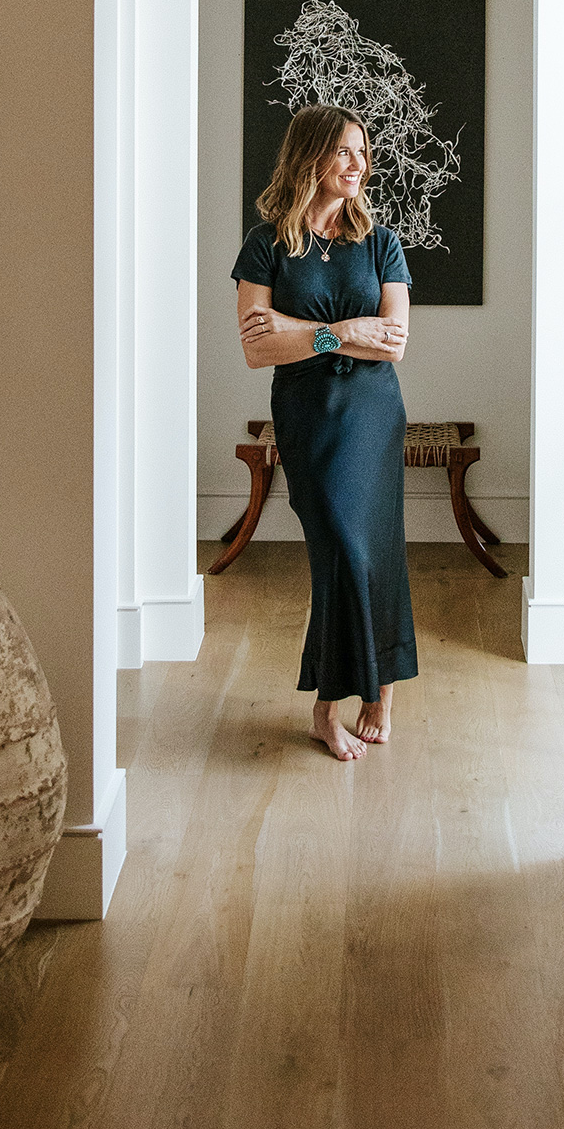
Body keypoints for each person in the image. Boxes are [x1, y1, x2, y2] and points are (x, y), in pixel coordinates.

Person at [233, 104, 416, 761]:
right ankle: (330, 705)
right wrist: (340, 332)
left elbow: (394, 342)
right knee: (338, 550)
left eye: (362, 151)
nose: (357, 163)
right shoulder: (266, 245)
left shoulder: (381, 242)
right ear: (309, 155)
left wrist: (297, 329)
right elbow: (257, 349)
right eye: (343, 150)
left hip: (374, 414)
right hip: (308, 417)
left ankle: (377, 693)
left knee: (377, 552)